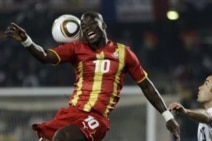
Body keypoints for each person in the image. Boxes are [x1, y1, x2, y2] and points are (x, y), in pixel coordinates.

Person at [5, 11, 180, 141]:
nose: (88, 28)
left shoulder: (124, 53)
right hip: (72, 113)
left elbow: (146, 86)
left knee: (62, 137)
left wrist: (167, 116)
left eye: (91, 24)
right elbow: (44, 56)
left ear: (103, 25)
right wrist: (26, 40)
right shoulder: (76, 49)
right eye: (84, 27)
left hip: (96, 118)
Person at [168, 73, 212, 141]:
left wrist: (186, 112)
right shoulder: (204, 122)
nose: (200, 87)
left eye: (206, 84)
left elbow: (208, 116)